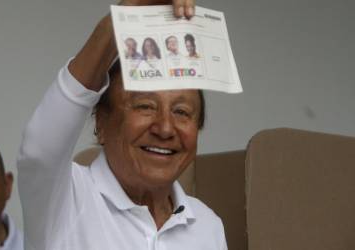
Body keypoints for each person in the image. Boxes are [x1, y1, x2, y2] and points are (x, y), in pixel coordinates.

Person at [17, 0, 228, 249]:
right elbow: (40, 150)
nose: (165, 128)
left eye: (181, 111)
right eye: (145, 106)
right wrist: (121, 19)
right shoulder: (67, 201)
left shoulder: (207, 226)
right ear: (101, 123)